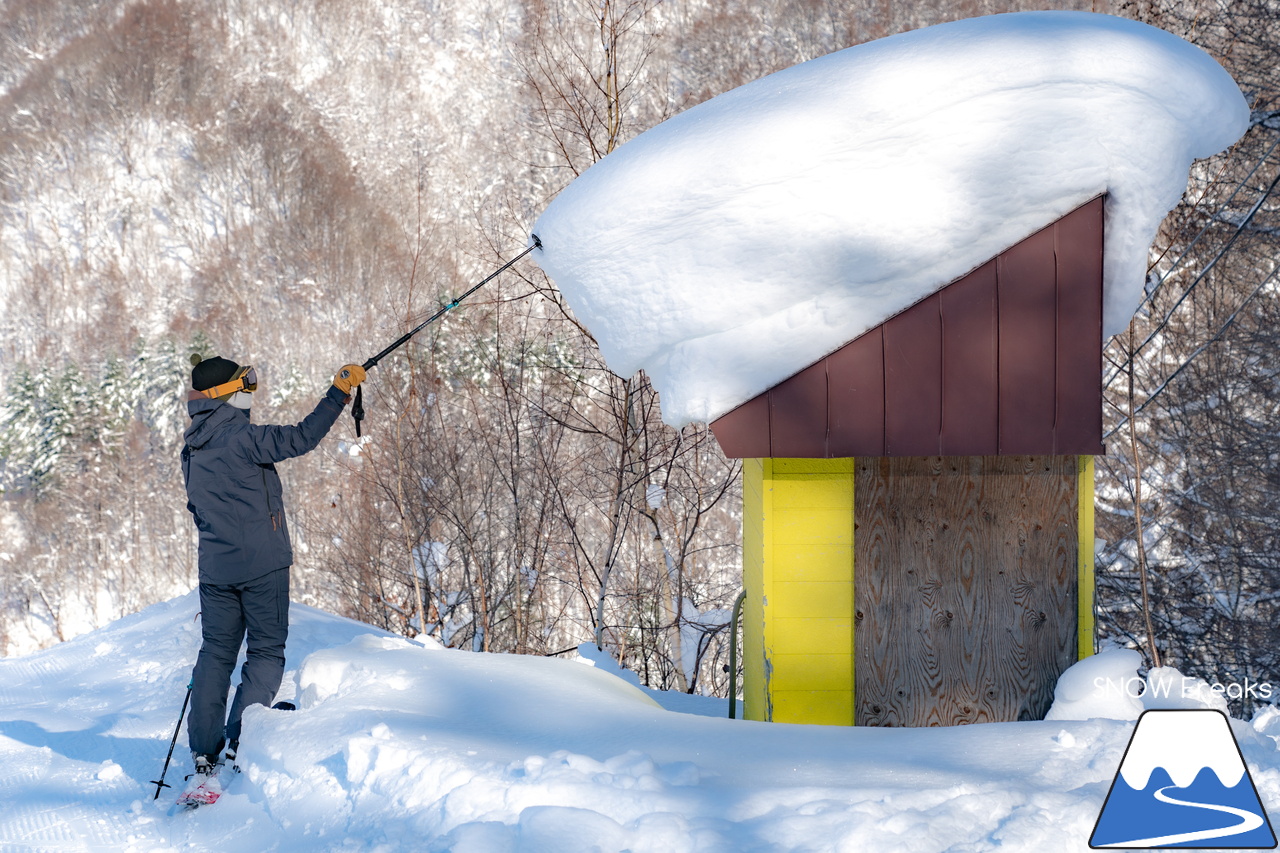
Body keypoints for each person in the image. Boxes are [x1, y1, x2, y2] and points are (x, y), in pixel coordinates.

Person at [177, 354, 365, 804]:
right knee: (265, 651)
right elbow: (302, 437)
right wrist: (339, 391)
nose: (252, 388)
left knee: (216, 653)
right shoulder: (243, 438)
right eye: (247, 382)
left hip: (216, 570)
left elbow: (197, 509)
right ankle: (243, 738)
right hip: (262, 566)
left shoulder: (191, 447)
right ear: (227, 393)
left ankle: (204, 754)